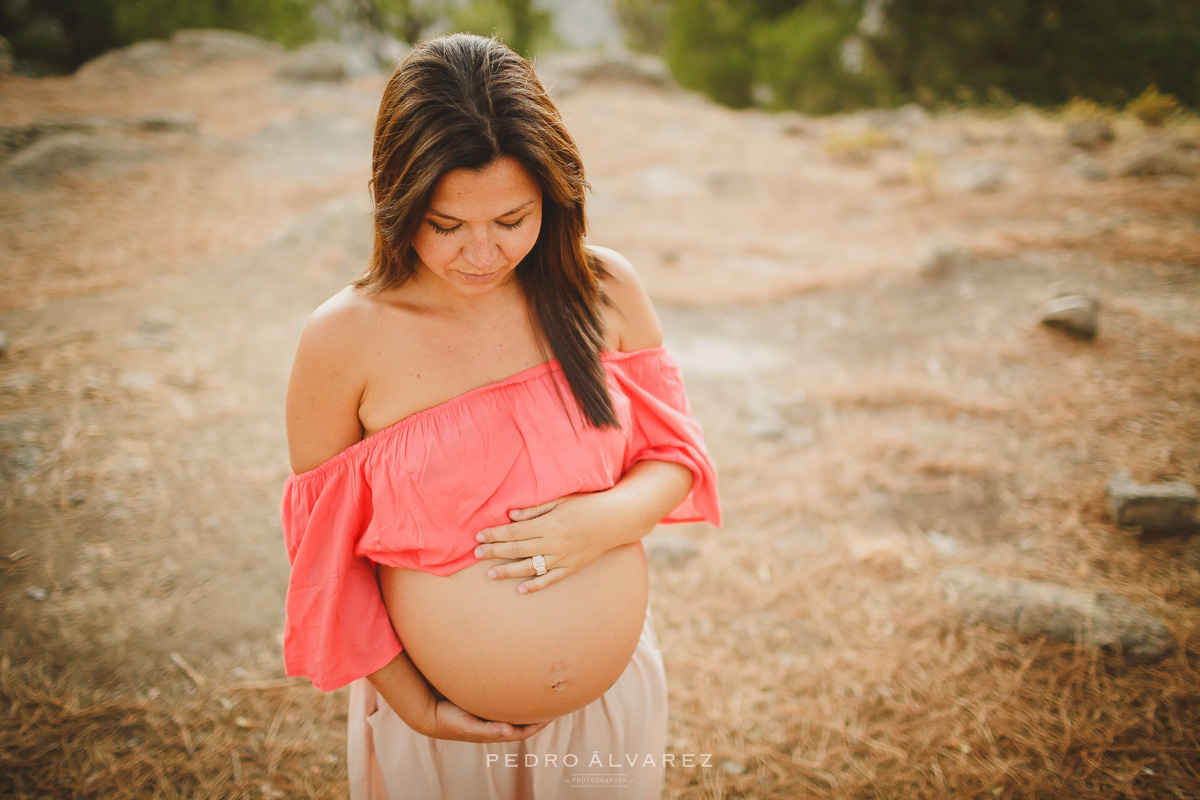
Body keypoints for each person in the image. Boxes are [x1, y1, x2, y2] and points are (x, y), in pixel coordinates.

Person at [281, 33, 721, 799]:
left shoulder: (603, 289)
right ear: (397, 205)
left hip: (607, 717)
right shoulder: (342, 339)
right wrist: (414, 705)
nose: (481, 254)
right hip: (444, 732)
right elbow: (326, 555)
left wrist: (604, 521)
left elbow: (675, 457)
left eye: (512, 219)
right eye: (446, 225)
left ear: (554, 196)